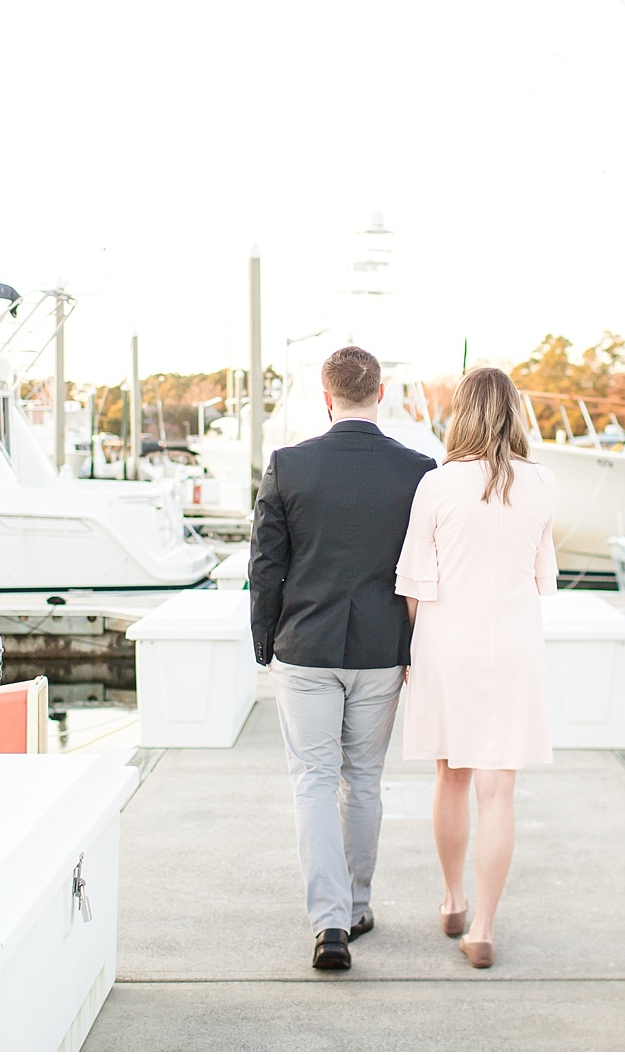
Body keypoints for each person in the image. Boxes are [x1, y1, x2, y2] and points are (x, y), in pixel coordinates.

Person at [248, 345, 437, 972]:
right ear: (380, 393)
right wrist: (416, 647)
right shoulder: (417, 471)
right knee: (364, 784)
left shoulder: (289, 465)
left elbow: (266, 565)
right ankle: (356, 906)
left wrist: (263, 641)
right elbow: (423, 572)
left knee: (313, 781)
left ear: (325, 398)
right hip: (381, 650)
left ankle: (328, 922)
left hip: (305, 647)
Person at [395, 366, 556, 969]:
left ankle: (453, 898)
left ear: (460, 413)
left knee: (451, 776)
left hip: (445, 642)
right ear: (515, 412)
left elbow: (412, 580)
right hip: (513, 644)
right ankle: (484, 928)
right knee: (499, 790)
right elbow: (544, 578)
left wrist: (411, 652)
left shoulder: (436, 484)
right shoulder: (542, 483)